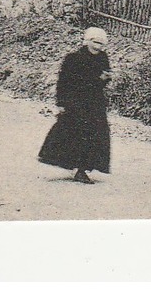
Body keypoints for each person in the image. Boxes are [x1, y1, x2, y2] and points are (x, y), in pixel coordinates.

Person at [37, 27, 113, 183]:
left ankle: (83, 168)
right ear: (87, 41)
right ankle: (77, 168)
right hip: (75, 101)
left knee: (95, 134)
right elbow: (63, 81)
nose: (97, 46)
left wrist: (105, 78)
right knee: (75, 134)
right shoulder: (73, 58)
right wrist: (61, 103)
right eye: (95, 42)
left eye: (101, 43)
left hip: (95, 102)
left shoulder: (103, 58)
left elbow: (104, 79)